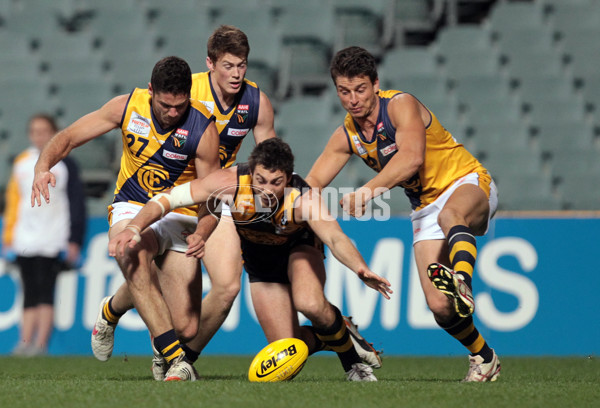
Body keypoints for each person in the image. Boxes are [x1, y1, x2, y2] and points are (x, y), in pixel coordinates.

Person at [109, 138, 393, 381]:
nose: (267, 190)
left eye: (276, 182)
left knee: (310, 303)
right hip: (261, 262)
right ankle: (332, 333)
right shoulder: (230, 182)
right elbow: (167, 199)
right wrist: (134, 227)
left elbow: (335, 238)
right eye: (261, 180)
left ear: (289, 178)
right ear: (251, 173)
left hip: (299, 250)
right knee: (287, 354)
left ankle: (352, 363)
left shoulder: (303, 197)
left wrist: (360, 268)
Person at [87, 25, 277, 379]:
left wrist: (268, 197)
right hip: (169, 193)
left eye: (242, 65)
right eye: (228, 66)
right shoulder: (186, 89)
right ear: (210, 64)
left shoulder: (256, 103)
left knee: (228, 288)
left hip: (208, 200)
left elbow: (269, 157)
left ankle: (178, 349)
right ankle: (175, 358)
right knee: (142, 255)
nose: (236, 74)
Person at [304, 46, 501, 382]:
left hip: (465, 182)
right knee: (439, 307)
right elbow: (310, 185)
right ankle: (484, 358)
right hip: (424, 208)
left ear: (376, 84)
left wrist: (367, 191)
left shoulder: (400, 106)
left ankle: (463, 282)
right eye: (344, 91)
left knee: (450, 215)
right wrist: (287, 213)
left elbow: (412, 159)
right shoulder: (347, 136)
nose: (353, 99)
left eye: (360, 89)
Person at [32, 56, 221, 381]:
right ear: (151, 92)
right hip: (132, 205)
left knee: (188, 327)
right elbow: (68, 137)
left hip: (180, 215)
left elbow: (211, 197)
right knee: (130, 253)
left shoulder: (202, 130)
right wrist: (42, 167)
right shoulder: (127, 107)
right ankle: (177, 361)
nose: (173, 113)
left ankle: (111, 309)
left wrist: (202, 232)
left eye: (180, 106)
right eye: (165, 105)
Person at [3, 114, 86, 356]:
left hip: (53, 238)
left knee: (46, 290)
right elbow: (13, 201)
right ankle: (25, 341)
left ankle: (41, 344)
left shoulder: (65, 164)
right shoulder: (21, 162)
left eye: (44, 131)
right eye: (35, 131)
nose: (40, 136)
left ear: (54, 133)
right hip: (25, 239)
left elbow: (76, 203)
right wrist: (8, 235)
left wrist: (74, 239)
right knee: (28, 291)